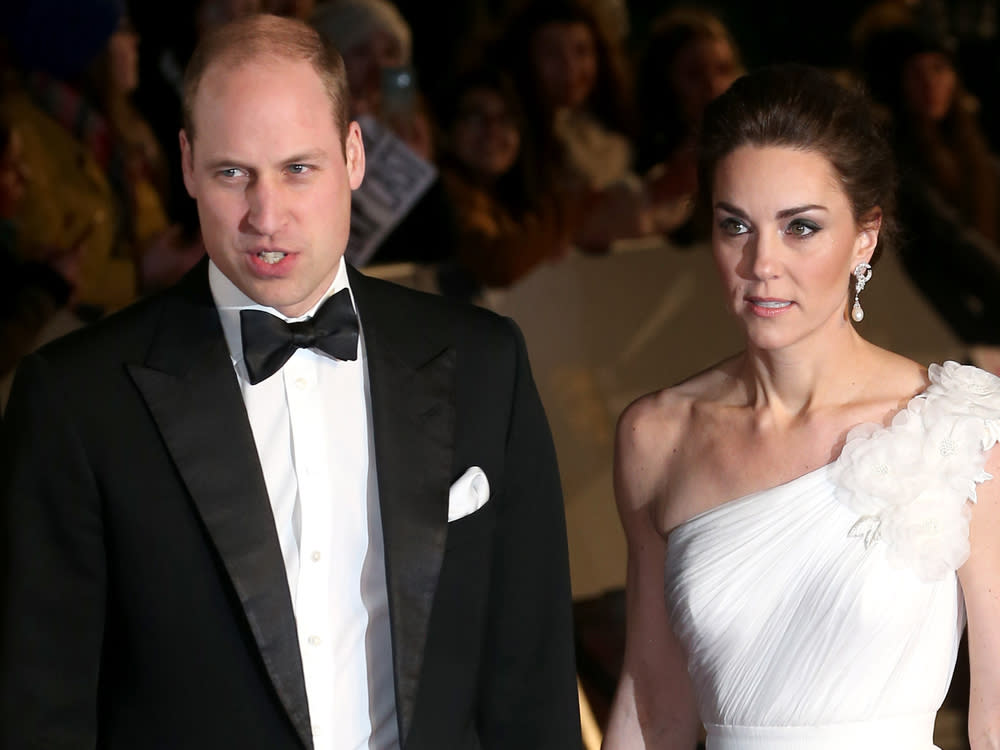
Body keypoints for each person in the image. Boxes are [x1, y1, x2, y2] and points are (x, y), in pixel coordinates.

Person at [0, 14, 581, 749]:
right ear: (186, 166)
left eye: (298, 169)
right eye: (231, 173)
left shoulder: (484, 365)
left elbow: (530, 688)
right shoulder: (77, 401)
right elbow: (41, 711)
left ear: (353, 156)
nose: (265, 217)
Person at [603, 64, 1000, 749]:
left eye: (801, 228)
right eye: (736, 225)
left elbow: (995, 712)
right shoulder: (657, 435)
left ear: (865, 237)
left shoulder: (959, 424)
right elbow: (654, 701)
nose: (762, 262)